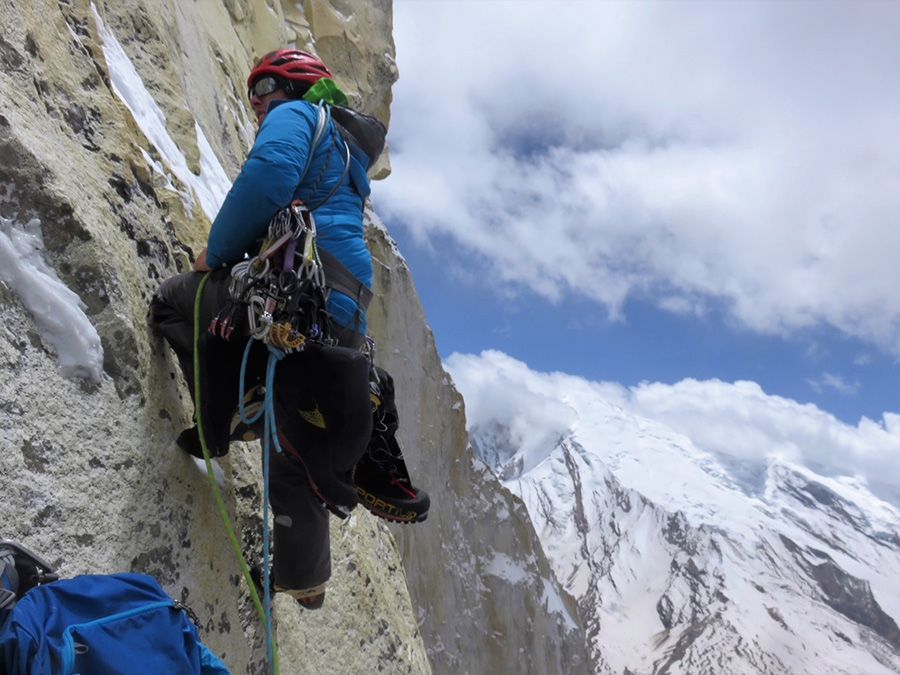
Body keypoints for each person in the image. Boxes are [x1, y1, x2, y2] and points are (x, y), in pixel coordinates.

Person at [150, 49, 428, 610]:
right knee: (299, 436)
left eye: (264, 89)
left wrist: (216, 254)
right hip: (343, 310)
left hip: (299, 295)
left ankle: (226, 413)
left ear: (295, 85)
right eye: (252, 95)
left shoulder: (296, 115)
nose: (256, 104)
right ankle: (304, 580)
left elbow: (268, 177)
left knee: (175, 304)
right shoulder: (345, 160)